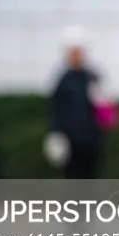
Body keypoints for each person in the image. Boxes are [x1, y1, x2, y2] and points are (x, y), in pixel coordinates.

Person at [45, 26, 103, 179]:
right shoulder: (63, 79)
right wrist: (55, 133)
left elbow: (101, 105)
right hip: (70, 141)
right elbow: (54, 109)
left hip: (90, 140)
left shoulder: (91, 76)